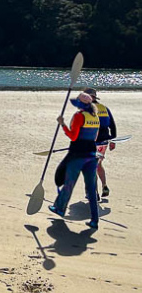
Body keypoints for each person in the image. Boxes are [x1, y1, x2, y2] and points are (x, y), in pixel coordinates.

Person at [49, 92, 100, 229]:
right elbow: (94, 138)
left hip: (78, 155)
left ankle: (59, 208)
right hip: (91, 155)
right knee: (92, 188)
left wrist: (62, 124)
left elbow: (73, 136)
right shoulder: (95, 117)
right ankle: (95, 220)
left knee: (69, 183)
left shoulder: (79, 116)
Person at [83, 87, 116, 198]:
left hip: (93, 143)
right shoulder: (104, 108)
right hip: (104, 143)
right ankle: (104, 186)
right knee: (98, 164)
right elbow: (112, 125)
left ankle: (93, 192)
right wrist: (113, 140)